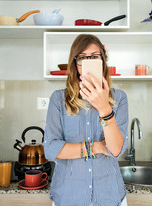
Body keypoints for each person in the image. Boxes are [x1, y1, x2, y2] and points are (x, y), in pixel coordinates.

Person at [44, 34, 129, 206]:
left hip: (110, 196)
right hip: (68, 196)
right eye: (82, 57)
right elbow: (51, 149)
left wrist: (105, 108)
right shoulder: (58, 99)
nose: (88, 60)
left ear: (103, 61)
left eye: (95, 56)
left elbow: (115, 150)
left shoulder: (119, 98)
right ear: (75, 63)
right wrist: (97, 147)